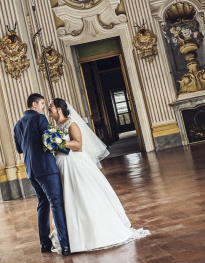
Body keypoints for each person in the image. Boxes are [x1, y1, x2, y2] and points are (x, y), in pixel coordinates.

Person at [48, 98, 150, 253]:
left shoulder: (71, 124)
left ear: (59, 109)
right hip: (61, 165)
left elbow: (78, 144)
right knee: (68, 198)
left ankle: (96, 233)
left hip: (75, 165)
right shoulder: (55, 127)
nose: (48, 108)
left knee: (83, 195)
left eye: (51, 106)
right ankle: (72, 235)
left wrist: (58, 143)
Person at [14, 93, 71, 256]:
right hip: (46, 169)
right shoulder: (39, 118)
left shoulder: (17, 124)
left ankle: (44, 243)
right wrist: (67, 150)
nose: (44, 107)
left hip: (31, 171)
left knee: (43, 204)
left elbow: (19, 149)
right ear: (34, 105)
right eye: (42, 104)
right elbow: (50, 140)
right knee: (56, 203)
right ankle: (65, 244)